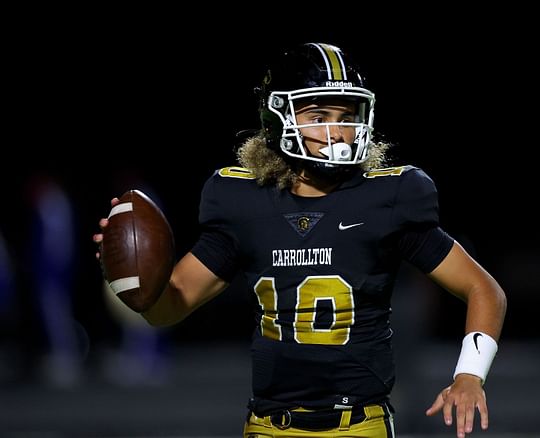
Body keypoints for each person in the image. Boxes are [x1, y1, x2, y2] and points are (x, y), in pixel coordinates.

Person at [94, 42, 507, 438]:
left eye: (347, 116)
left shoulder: (388, 198)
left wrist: (469, 375)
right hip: (268, 425)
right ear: (278, 118)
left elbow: (484, 289)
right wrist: (132, 273)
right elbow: (169, 307)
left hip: (359, 424)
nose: (338, 131)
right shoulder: (243, 204)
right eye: (319, 114)